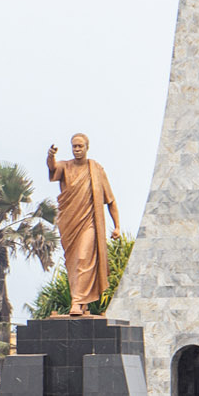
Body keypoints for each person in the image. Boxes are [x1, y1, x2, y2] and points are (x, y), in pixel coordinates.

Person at [46, 133, 120, 316]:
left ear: (87, 147)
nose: (77, 150)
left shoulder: (96, 170)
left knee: (83, 258)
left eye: (80, 146)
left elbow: (110, 200)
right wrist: (50, 156)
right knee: (73, 262)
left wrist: (117, 226)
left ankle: (77, 302)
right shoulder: (65, 166)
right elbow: (53, 168)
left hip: (89, 223)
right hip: (69, 222)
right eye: (74, 147)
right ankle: (82, 301)